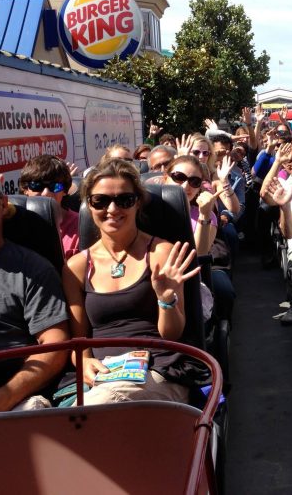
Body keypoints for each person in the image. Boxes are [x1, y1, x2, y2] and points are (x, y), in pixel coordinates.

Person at [62, 158, 203, 405]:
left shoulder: (161, 252)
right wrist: (83, 362)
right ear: (89, 205)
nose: (112, 209)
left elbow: (172, 334)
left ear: (137, 203)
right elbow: (79, 341)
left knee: (96, 407)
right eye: (100, 201)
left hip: (157, 369)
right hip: (101, 376)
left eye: (124, 200)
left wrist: (166, 300)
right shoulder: (76, 267)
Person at [0, 173, 69, 411]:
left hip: (14, 396)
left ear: (3, 204)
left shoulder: (33, 269)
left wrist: (4, 397)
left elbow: (54, 345)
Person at [163, 155, 235, 321]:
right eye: (179, 177)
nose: (185, 185)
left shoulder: (205, 214)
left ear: (200, 186)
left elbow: (199, 253)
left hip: (189, 279)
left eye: (194, 181)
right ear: (166, 177)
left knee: (224, 291)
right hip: (153, 276)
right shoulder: (149, 210)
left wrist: (204, 215)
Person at [19, 155, 80, 258]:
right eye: (37, 185)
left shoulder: (80, 226)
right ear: (25, 189)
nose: (46, 193)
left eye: (55, 187)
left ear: (65, 190)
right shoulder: (15, 224)